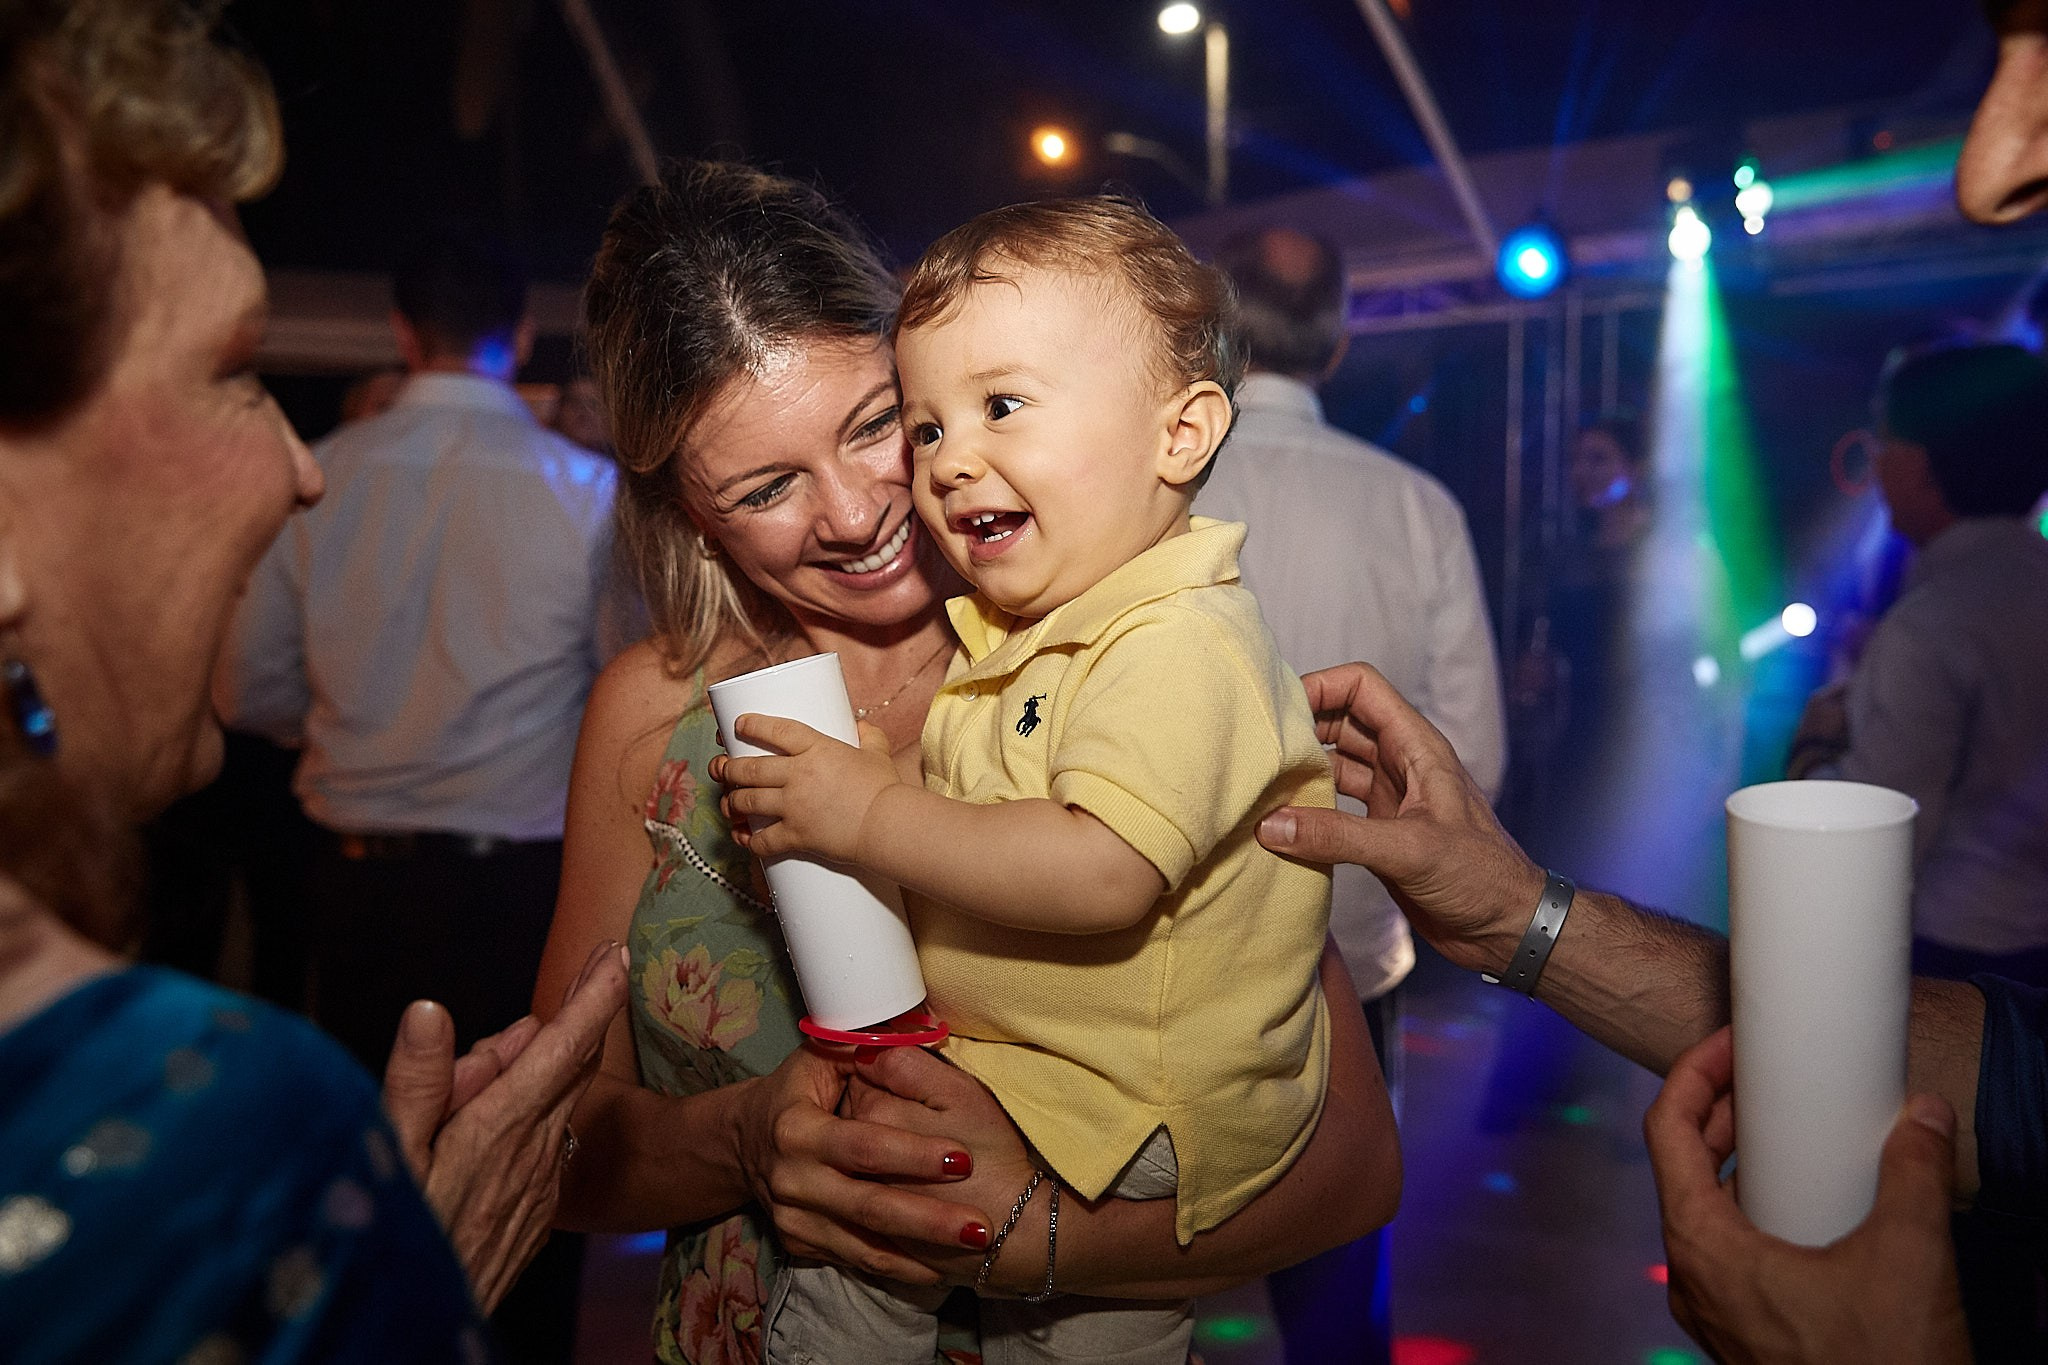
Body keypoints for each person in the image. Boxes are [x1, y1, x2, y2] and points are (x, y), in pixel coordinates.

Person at [533, 161, 1402, 1365]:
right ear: (689, 514)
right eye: (766, 486)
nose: (850, 514)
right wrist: (744, 1142)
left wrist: (1044, 1239)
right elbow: (561, 1151)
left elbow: (1354, 1169)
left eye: (876, 424)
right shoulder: (650, 719)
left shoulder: (1100, 655)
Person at [0, 1, 627, 1360]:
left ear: (405, 328)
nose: (294, 460)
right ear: (513, 330)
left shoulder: (342, 492)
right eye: (235, 369)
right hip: (528, 880)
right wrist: (380, 1288)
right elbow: (607, 684)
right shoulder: (581, 493)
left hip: (361, 883)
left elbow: (258, 688)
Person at [714, 196, 1337, 1365]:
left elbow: (1100, 869)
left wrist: (869, 810)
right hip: (1048, 1071)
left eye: (1000, 406)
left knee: (907, 1271)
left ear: (1179, 434)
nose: (951, 464)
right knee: (894, 1242)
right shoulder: (1042, 633)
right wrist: (860, 777)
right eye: (928, 427)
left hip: (1133, 1098)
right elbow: (977, 796)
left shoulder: (1177, 643)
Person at [1204, 223, 1505, 1365]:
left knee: (1114, 1281)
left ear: (1220, 336)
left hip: (1147, 933)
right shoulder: (1417, 507)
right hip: (1346, 938)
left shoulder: (1141, 486)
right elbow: (1467, 759)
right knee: (1333, 1281)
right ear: (1335, 345)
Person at [1788, 342, 2048, 987]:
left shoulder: (1929, 626)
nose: (1873, 466)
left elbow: (1874, 834)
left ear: (1926, 466)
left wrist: (1815, 748)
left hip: (1954, 953)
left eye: (1883, 443)